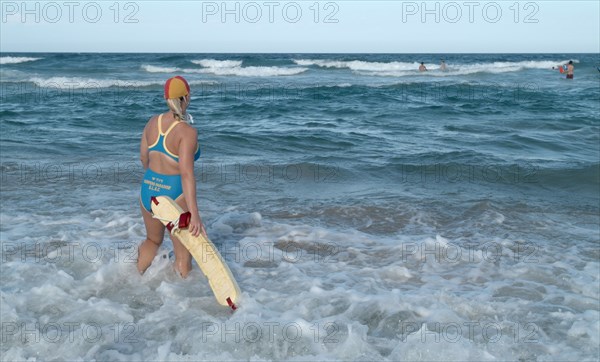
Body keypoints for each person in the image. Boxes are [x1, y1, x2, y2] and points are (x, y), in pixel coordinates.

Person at [138, 75, 206, 278]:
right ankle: (182, 305)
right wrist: (194, 214)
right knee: (183, 255)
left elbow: (144, 159)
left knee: (152, 241)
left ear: (166, 98)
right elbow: (186, 174)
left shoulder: (152, 122)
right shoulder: (187, 132)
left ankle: (133, 281)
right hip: (174, 193)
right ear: (187, 97)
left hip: (148, 190)